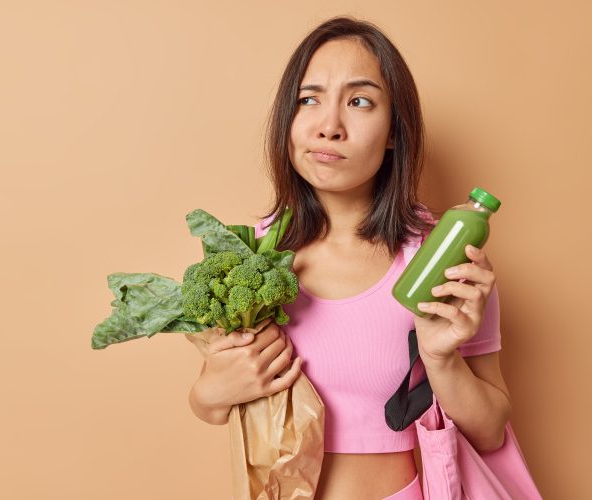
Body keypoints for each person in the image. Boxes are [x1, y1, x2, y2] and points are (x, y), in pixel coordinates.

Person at [188, 16, 511, 500]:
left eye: (359, 101)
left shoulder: (439, 260)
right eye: (309, 99)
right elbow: (213, 403)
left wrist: (441, 359)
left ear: (394, 132)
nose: (329, 126)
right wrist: (209, 393)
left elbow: (491, 432)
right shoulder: (249, 256)